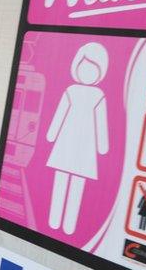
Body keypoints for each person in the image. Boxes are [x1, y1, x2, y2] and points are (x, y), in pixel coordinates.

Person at [45, 42, 109, 236]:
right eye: (84, 66)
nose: (87, 71)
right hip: (69, 143)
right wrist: (52, 133)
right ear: (76, 67)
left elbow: (101, 123)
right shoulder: (72, 91)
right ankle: (55, 221)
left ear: (101, 71)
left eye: (93, 68)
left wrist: (102, 146)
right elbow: (60, 114)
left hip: (82, 147)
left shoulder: (98, 95)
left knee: (76, 186)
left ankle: (68, 226)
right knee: (62, 181)